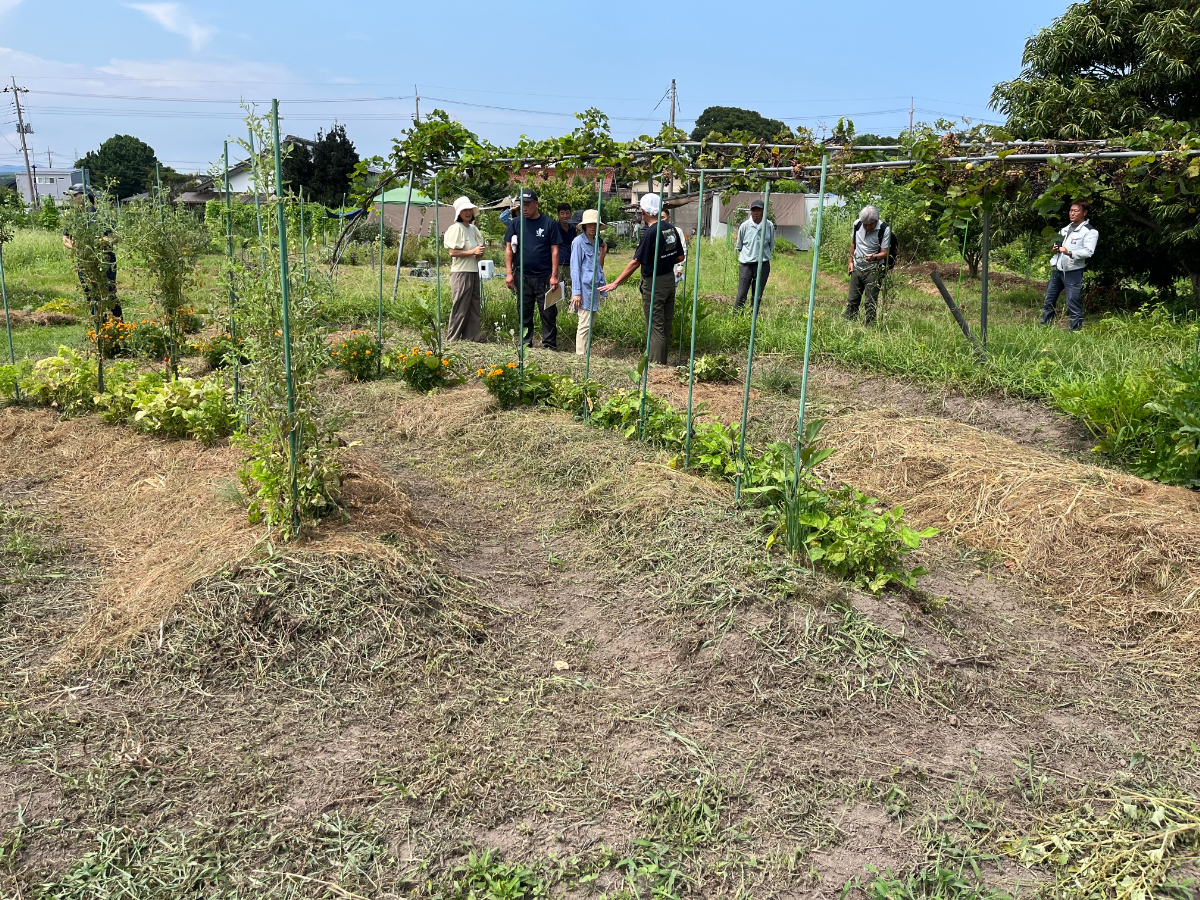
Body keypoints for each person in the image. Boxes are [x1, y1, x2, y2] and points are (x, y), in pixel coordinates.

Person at [599, 193, 684, 365]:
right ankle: (662, 361)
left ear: (643, 211)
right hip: (669, 279)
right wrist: (665, 259)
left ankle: (656, 365)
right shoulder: (670, 228)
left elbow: (636, 262)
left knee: (655, 325)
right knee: (665, 324)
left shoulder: (650, 233)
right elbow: (680, 257)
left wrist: (616, 282)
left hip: (655, 282)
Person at [504, 188, 565, 351]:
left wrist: (554, 276)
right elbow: (509, 248)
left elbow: (555, 251)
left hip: (544, 276)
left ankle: (550, 344)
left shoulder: (549, 224)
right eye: (522, 205)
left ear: (536, 204)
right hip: (522, 276)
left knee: (548, 312)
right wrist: (509, 273)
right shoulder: (516, 223)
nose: (524, 208)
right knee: (524, 311)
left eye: (528, 205)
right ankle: (525, 342)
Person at [62, 187, 121, 321]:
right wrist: (73, 245)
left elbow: (114, 237)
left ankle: (119, 326)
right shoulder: (72, 217)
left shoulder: (101, 215)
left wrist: (94, 242)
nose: (71, 200)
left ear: (85, 197)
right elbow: (65, 238)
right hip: (84, 260)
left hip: (104, 259)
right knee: (90, 293)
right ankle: (100, 326)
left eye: (74, 196)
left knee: (108, 292)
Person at [1040, 200, 1099, 332]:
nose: (1072, 213)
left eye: (1076, 211)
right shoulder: (1065, 229)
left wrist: (1070, 252)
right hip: (1058, 269)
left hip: (1073, 271)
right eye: (1071, 210)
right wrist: (1055, 249)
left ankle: (1075, 330)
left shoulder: (1090, 231)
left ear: (1085, 213)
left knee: (1072, 301)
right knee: (1049, 299)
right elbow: (1059, 247)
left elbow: (1088, 251)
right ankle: (1044, 326)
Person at [443, 195, 485, 342]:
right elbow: (452, 252)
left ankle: (471, 338)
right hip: (460, 273)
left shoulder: (473, 229)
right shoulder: (456, 228)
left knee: (474, 306)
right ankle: (452, 339)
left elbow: (477, 251)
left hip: (473, 271)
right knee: (460, 307)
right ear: (458, 213)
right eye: (464, 210)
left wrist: (478, 253)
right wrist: (472, 252)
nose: (468, 212)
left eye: (470, 210)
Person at [844, 205, 891, 326]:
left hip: (874, 270)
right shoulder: (857, 224)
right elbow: (853, 244)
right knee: (852, 300)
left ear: (877, 221)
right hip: (857, 268)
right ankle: (848, 324)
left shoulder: (884, 229)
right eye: (865, 224)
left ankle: (869, 328)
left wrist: (874, 257)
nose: (868, 227)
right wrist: (850, 261)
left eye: (871, 224)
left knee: (870, 302)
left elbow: (885, 253)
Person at [569, 209, 606, 356]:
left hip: (594, 287)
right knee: (584, 323)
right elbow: (575, 268)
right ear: (583, 226)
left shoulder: (596, 242)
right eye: (589, 224)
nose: (592, 227)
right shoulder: (578, 242)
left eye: (595, 224)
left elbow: (597, 266)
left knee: (590, 323)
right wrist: (576, 292)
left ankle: (585, 353)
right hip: (583, 289)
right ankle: (580, 356)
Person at [734, 198, 774, 312]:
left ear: (764, 211)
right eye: (753, 210)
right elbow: (740, 246)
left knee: (757, 295)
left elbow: (770, 245)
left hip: (763, 265)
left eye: (758, 210)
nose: (755, 213)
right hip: (746, 265)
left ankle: (753, 319)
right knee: (741, 294)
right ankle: (736, 318)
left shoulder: (769, 225)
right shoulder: (744, 226)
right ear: (750, 212)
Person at [661, 205, 688, 286]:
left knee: (672, 290)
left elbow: (683, 249)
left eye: (663, 217)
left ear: (669, 217)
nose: (661, 220)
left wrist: (680, 267)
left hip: (673, 267)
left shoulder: (677, 231)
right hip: (660, 270)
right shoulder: (655, 232)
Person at [556, 202, 576, 286]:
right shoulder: (555, 227)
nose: (565, 216)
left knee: (570, 288)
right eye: (562, 213)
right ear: (558, 215)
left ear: (571, 214)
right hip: (559, 263)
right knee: (558, 290)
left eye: (567, 213)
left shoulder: (573, 228)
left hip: (571, 263)